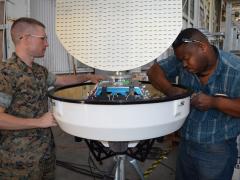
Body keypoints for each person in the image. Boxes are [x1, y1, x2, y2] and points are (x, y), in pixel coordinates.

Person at [0, 17, 103, 179]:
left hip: (45, 153)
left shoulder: (39, 71)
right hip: (18, 162)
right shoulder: (6, 72)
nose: (47, 43)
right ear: (25, 38)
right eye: (43, 38)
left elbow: (61, 81)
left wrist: (88, 77)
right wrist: (38, 122)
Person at [147, 28, 240, 180]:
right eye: (181, 60)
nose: (183, 64)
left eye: (186, 58)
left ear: (202, 47)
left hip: (217, 151)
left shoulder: (235, 69)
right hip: (185, 145)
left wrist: (214, 102)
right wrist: (169, 89)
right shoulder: (183, 60)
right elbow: (153, 72)